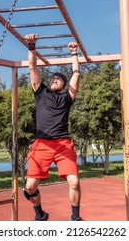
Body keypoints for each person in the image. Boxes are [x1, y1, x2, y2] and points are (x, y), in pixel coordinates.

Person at [23, 34, 82, 221]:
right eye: (53, 78)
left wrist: (74, 53)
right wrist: (31, 46)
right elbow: (32, 66)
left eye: (59, 79)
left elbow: (77, 74)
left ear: (64, 84)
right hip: (42, 144)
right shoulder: (40, 92)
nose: (55, 79)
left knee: (74, 182)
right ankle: (40, 214)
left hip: (63, 144)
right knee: (30, 187)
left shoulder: (67, 98)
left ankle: (75, 219)